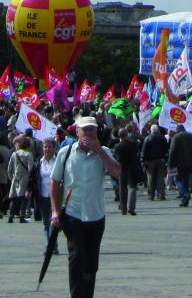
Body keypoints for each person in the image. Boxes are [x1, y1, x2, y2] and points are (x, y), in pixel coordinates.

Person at [50, 116, 121, 298]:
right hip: (73, 214)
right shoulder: (66, 152)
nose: (88, 133)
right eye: (85, 130)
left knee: (91, 263)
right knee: (76, 257)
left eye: (92, 130)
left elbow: (117, 172)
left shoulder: (103, 151)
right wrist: (55, 211)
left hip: (95, 214)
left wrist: (100, 153)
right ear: (77, 132)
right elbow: (55, 183)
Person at [112, 127, 142, 216]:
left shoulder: (117, 146)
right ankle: (131, 207)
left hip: (122, 168)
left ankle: (123, 207)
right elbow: (137, 154)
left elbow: (116, 158)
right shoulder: (133, 144)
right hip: (132, 167)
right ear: (126, 135)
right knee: (132, 187)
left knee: (122, 188)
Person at [168, 126, 192, 207]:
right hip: (191, 162)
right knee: (185, 180)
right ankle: (185, 200)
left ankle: (186, 194)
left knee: (177, 179)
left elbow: (172, 151)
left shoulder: (176, 137)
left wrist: (170, 164)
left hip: (179, 163)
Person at [6, 137, 35, 223]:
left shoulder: (14, 154)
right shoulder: (28, 154)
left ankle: (11, 216)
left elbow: (9, 169)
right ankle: (22, 216)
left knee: (14, 199)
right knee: (23, 198)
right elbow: (31, 169)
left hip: (15, 178)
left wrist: (11, 178)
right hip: (25, 178)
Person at [140, 125, 168, 201]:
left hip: (150, 161)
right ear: (158, 130)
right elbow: (166, 149)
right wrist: (165, 159)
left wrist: (142, 161)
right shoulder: (162, 138)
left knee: (150, 178)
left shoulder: (147, 138)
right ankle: (161, 194)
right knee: (160, 178)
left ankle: (151, 195)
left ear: (151, 130)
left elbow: (143, 151)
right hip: (161, 160)